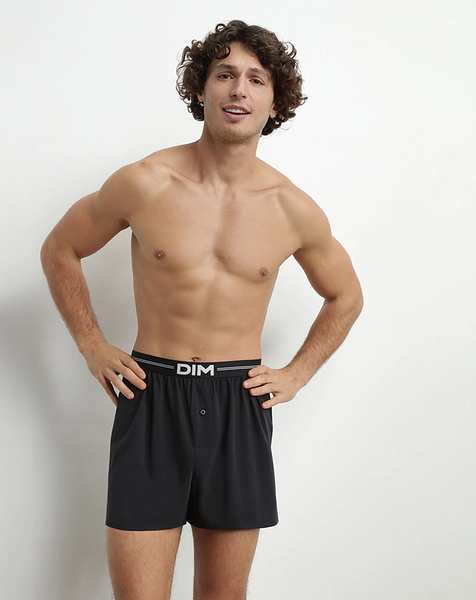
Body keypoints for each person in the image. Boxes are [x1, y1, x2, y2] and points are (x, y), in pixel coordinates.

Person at [40, 19, 363, 600]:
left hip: (239, 403)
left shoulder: (292, 208)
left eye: (256, 79)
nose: (239, 89)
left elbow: (346, 295)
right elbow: (61, 248)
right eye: (225, 74)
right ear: (202, 88)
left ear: (274, 102)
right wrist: (91, 345)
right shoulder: (146, 182)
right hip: (151, 394)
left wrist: (297, 373)